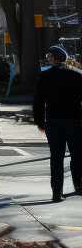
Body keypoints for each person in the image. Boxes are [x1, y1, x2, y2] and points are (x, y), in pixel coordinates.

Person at [32, 45, 82, 201]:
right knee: (77, 155)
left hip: (53, 122)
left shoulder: (45, 76)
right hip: (74, 120)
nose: (47, 58)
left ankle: (56, 191)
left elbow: (38, 101)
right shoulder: (76, 75)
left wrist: (40, 122)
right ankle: (78, 185)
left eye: (49, 56)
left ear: (53, 58)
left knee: (56, 157)